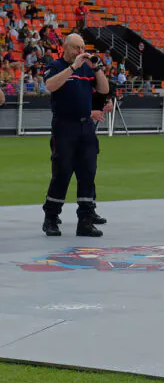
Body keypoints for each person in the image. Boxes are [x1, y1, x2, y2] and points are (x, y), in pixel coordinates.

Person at [41, 33, 110, 237]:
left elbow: (104, 89)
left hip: (86, 127)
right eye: (76, 48)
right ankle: (51, 218)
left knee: (88, 173)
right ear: (66, 47)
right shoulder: (56, 66)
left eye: (82, 48)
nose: (80, 52)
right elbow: (50, 86)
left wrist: (96, 67)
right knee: (62, 173)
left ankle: (86, 221)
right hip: (64, 127)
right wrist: (73, 68)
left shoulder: (88, 69)